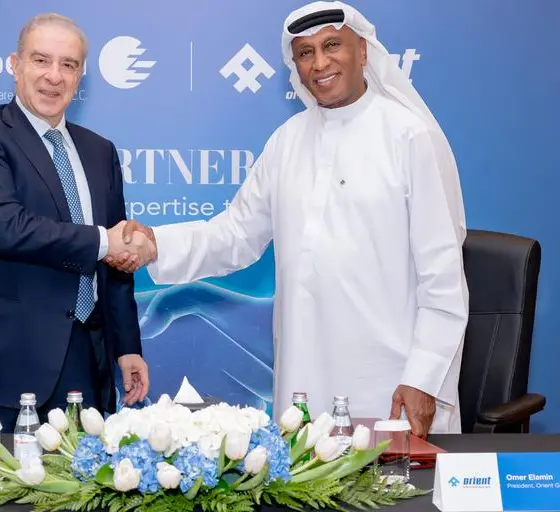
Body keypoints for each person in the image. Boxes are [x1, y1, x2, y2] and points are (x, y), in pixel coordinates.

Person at [107, 0, 469, 437]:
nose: (320, 63)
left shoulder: (410, 137)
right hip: (304, 380)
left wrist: (423, 378)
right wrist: (156, 245)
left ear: (363, 51)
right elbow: (236, 234)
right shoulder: (287, 141)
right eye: (305, 52)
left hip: (390, 382)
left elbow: (443, 279)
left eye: (332, 45)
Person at [0, 13, 155, 433]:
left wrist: (126, 347)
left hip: (82, 364)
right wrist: (107, 242)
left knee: (79, 477)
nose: (54, 76)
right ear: (15, 65)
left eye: (68, 65)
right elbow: (6, 227)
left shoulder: (99, 151)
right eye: (41, 60)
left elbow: (114, 263)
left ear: (80, 75)